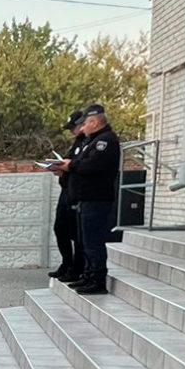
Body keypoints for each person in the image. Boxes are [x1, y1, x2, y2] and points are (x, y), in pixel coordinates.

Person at [59, 103, 119, 296]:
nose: (82, 128)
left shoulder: (105, 141)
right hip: (86, 199)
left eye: (85, 123)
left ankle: (97, 279)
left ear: (94, 122)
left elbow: (91, 165)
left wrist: (71, 165)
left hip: (96, 199)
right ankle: (88, 274)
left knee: (93, 242)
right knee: (85, 241)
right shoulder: (92, 141)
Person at [51, 111, 86, 283]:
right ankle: (67, 262)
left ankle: (77, 268)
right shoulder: (77, 143)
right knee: (60, 228)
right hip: (67, 190)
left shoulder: (89, 143)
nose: (72, 131)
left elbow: (81, 166)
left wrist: (67, 167)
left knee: (77, 233)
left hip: (78, 193)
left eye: (74, 127)